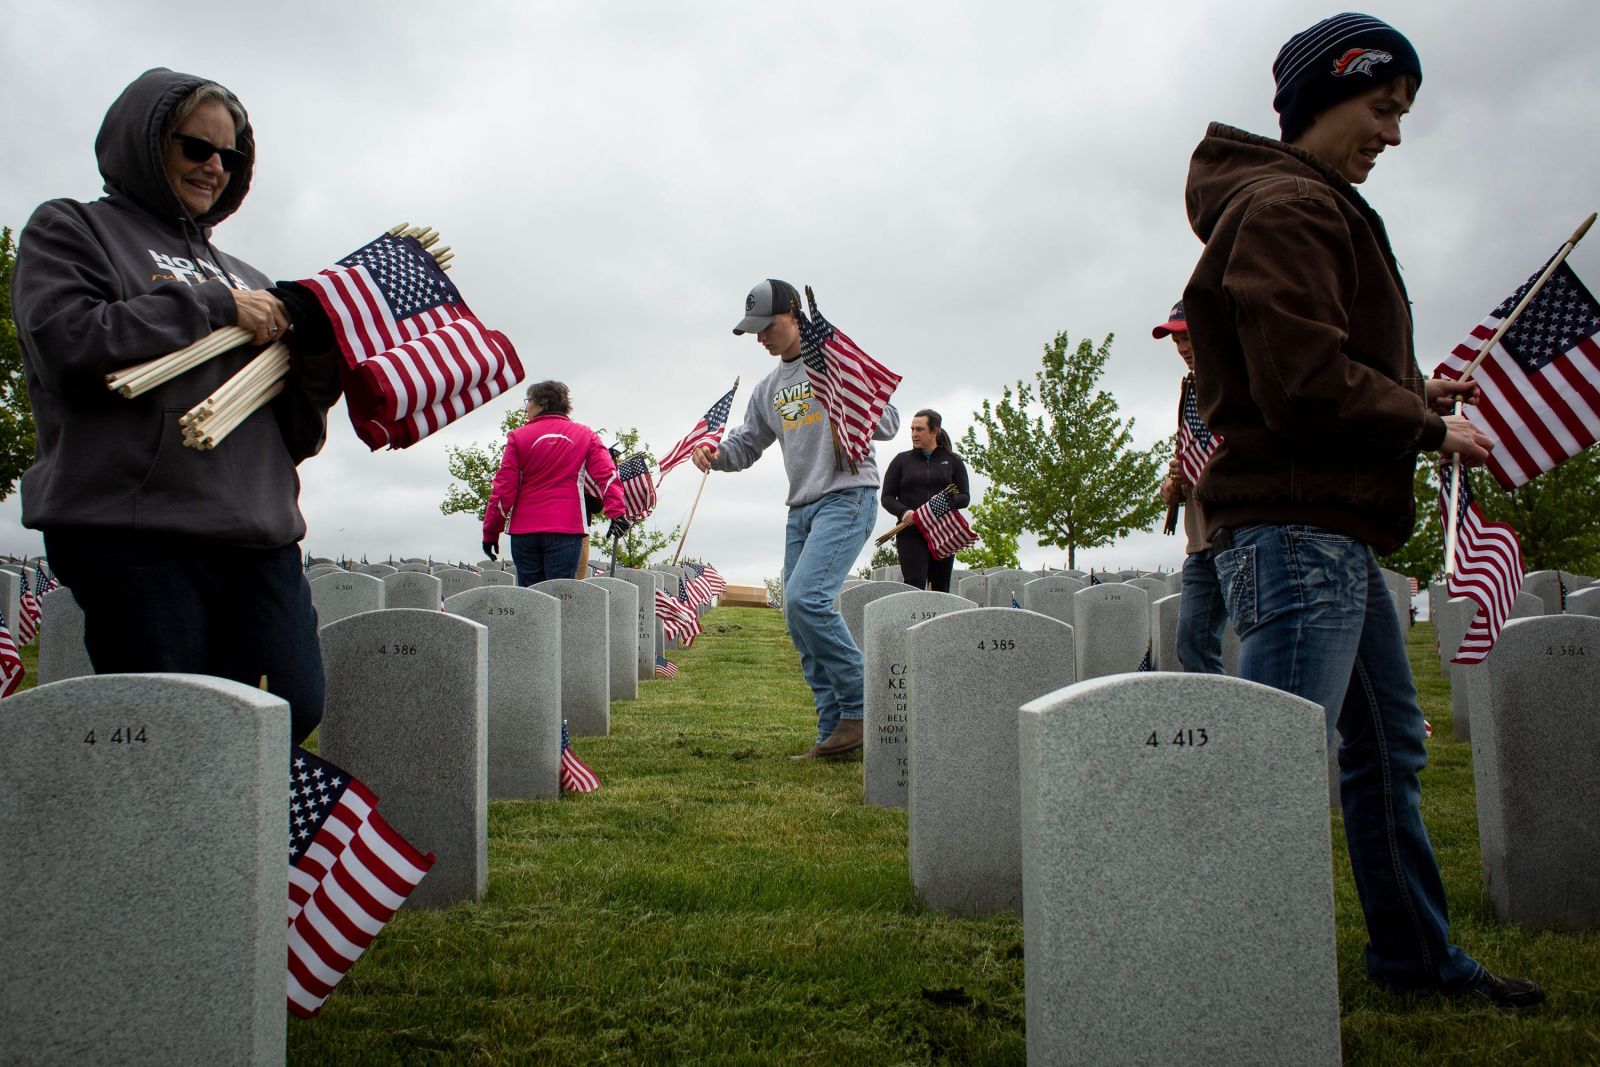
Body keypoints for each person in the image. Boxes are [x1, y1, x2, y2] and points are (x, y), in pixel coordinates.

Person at [1183, 14, 1542, 1007]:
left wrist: (1408, 395)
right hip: (1298, 529)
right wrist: (1427, 429)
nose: (1392, 134)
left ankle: (1414, 960)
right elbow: (1298, 381)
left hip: (1332, 526)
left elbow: (1312, 365)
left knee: (1386, 747)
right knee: (1274, 774)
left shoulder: (1305, 204)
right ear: (1323, 98)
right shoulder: (1289, 206)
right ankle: (1229, 984)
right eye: (1381, 108)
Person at [12, 68, 340, 746]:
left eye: (232, 156)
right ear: (147, 141)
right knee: (173, 733)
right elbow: (66, 343)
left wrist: (315, 367)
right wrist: (212, 308)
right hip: (137, 530)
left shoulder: (248, 276)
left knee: (293, 703)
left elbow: (291, 437)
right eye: (197, 147)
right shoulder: (73, 230)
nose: (216, 167)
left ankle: (230, 847)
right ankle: (165, 851)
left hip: (257, 531)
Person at [693, 279, 899, 759]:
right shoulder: (768, 389)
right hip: (801, 508)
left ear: (792, 315)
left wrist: (845, 387)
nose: (761, 338)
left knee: (808, 599)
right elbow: (746, 445)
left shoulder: (834, 363)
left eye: (766, 327)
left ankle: (863, 709)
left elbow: (886, 423)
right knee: (797, 618)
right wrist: (715, 454)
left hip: (848, 496)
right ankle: (834, 733)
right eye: (753, 332)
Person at [482, 380, 628, 587]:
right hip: (566, 528)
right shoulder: (585, 435)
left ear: (542, 403)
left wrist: (491, 530)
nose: (526, 408)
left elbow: (503, 488)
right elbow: (607, 475)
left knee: (530, 597)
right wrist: (617, 512)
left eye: (528, 402)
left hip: (524, 530)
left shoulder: (517, 437)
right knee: (561, 596)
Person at [1153, 301, 1226, 674]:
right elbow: (1193, 450)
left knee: (1261, 642)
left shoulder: (1232, 382)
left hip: (1234, 535)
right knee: (1192, 644)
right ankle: (1221, 726)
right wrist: (1175, 485)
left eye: (1188, 336)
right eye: (1177, 340)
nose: (1183, 347)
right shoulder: (1193, 388)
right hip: (1199, 541)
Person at [879, 409, 971, 592]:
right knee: (914, 583)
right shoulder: (901, 460)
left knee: (941, 586)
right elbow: (887, 497)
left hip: (944, 530)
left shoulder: (953, 461)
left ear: (934, 432)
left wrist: (940, 505)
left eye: (919, 429)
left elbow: (964, 497)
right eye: (912, 429)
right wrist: (903, 511)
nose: (914, 434)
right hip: (911, 531)